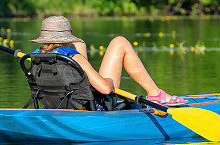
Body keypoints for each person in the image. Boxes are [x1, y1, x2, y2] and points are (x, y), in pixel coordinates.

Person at [30, 15, 186, 105]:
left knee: (81, 44)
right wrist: (109, 81)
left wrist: (79, 47)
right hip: (95, 107)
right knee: (120, 42)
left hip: (60, 105)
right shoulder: (72, 56)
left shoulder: (35, 57)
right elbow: (105, 89)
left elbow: (76, 47)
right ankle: (155, 94)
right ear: (66, 38)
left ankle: (156, 93)